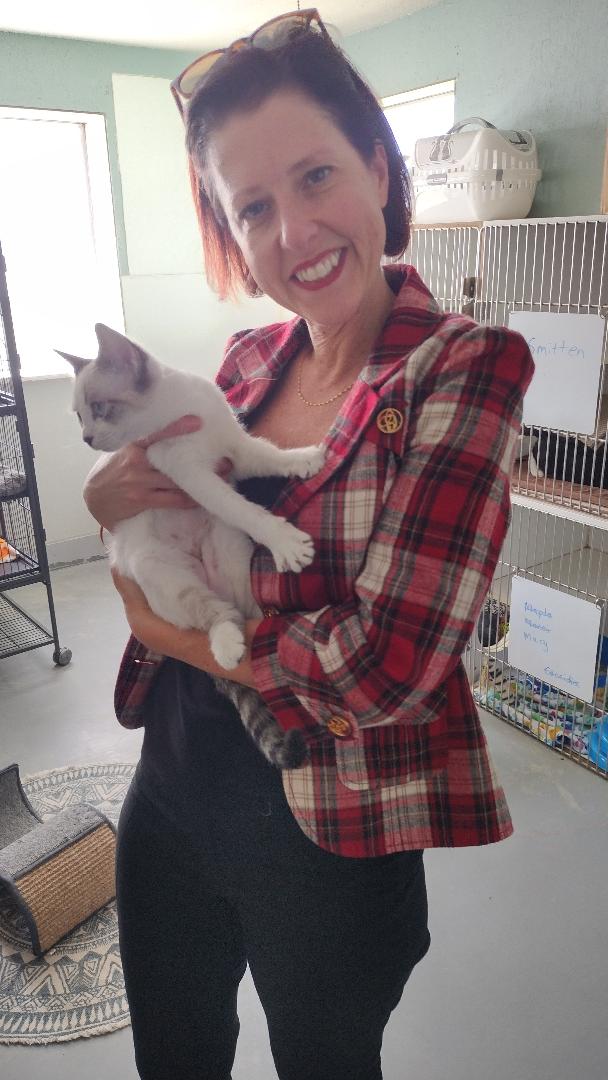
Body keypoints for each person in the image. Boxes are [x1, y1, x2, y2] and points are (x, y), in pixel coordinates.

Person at [84, 10, 535, 1080]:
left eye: (315, 175)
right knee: (175, 1057)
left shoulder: (462, 367)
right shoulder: (244, 361)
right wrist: (113, 502)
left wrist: (175, 628)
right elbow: (158, 510)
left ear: (378, 167)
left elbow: (385, 667)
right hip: (172, 784)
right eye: (251, 206)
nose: (291, 232)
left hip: (331, 832)